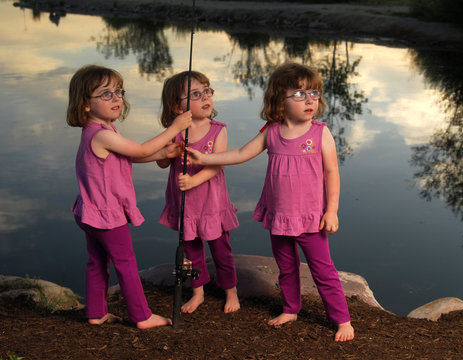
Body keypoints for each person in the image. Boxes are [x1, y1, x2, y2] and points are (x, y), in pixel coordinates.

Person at [186, 62, 354, 342]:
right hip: (280, 215)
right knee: (286, 267)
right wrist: (205, 158)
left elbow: (331, 172)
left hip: (311, 217)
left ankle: (342, 320)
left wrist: (332, 210)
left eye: (313, 93)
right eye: (299, 94)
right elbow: (240, 153)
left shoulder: (319, 133)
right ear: (279, 100)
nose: (309, 99)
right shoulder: (272, 131)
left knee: (323, 271)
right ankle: (291, 308)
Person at [67, 64, 192, 329]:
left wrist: (162, 154)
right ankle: (141, 316)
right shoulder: (101, 134)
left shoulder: (101, 131)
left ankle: (96, 312)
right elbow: (139, 148)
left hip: (89, 211)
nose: (116, 99)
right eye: (106, 94)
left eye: (118, 92)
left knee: (97, 261)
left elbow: (132, 155)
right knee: (126, 263)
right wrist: (175, 126)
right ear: (85, 104)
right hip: (107, 214)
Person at [157, 71, 240, 314]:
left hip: (211, 204)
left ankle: (231, 291)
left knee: (221, 250)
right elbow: (162, 163)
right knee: (190, 253)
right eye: (195, 94)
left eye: (207, 91)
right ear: (176, 105)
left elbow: (216, 164)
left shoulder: (218, 130)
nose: (205, 97)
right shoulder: (174, 131)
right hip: (186, 206)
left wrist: (193, 181)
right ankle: (198, 292)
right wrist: (168, 150)